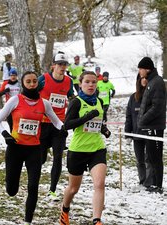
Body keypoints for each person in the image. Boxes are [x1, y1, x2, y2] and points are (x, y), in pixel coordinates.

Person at [0, 71, 67, 225]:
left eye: (34, 81)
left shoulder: (45, 103)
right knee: (11, 190)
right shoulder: (15, 100)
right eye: (28, 81)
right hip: (15, 148)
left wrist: (64, 128)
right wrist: (6, 134)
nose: (32, 84)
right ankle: (11, 184)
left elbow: (56, 121)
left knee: (33, 186)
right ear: (23, 83)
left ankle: (28, 220)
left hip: (34, 149)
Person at [60, 71, 111, 225]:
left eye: (94, 82)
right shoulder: (76, 102)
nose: (91, 85)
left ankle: (97, 220)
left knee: (99, 184)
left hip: (97, 149)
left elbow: (98, 122)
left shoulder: (100, 102)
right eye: (87, 82)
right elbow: (66, 125)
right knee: (73, 189)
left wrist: (104, 130)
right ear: (80, 84)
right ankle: (65, 209)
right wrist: (86, 117)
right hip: (78, 150)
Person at [38, 52, 74, 200]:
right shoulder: (43, 79)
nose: (62, 67)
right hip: (43, 123)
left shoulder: (68, 81)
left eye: (64, 65)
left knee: (58, 157)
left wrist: (70, 105)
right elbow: (32, 93)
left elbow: (71, 96)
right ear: (53, 65)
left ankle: (52, 190)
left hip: (59, 125)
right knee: (41, 158)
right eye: (59, 64)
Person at [137, 56, 166, 194]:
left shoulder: (157, 82)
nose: (139, 71)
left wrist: (143, 120)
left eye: (141, 69)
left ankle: (157, 185)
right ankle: (153, 183)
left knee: (155, 156)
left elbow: (157, 106)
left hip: (154, 126)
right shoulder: (150, 81)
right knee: (150, 154)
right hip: (149, 126)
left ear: (147, 69)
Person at [124, 76, 154, 189]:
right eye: (142, 78)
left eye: (147, 78)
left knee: (149, 159)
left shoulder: (152, 97)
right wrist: (128, 133)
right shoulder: (133, 98)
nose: (145, 80)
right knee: (139, 160)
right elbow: (129, 116)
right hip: (136, 135)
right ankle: (142, 181)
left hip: (150, 134)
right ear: (138, 81)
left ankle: (149, 182)